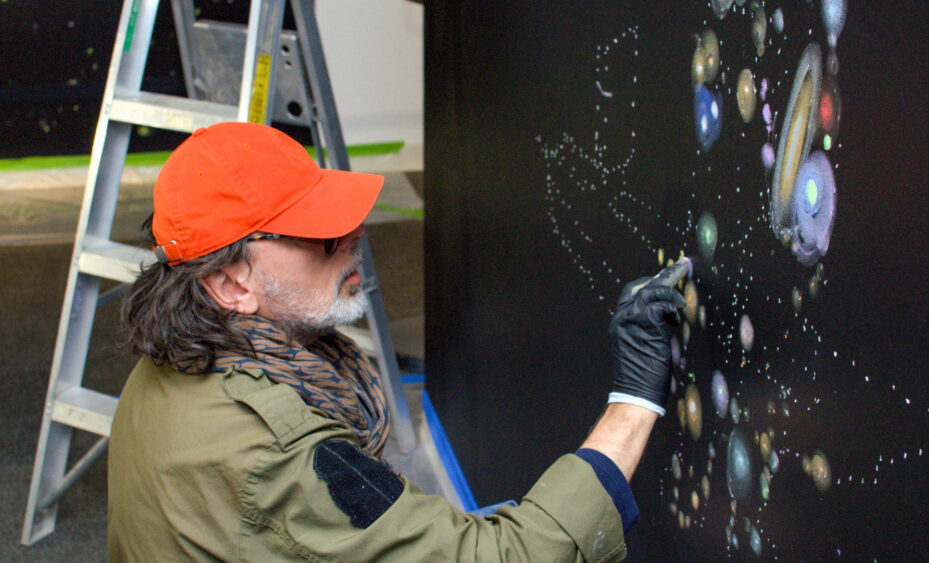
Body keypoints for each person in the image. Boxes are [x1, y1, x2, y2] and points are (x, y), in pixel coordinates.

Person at [108, 121, 686, 561]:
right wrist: (633, 399)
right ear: (230, 283)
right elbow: (506, 557)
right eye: (320, 234)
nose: (354, 235)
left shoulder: (171, 360)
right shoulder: (280, 454)